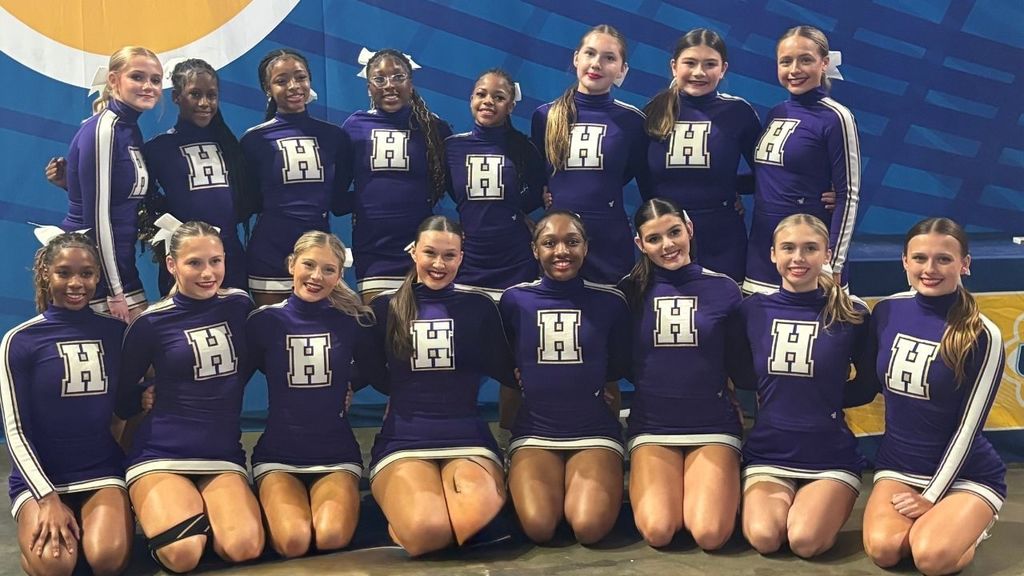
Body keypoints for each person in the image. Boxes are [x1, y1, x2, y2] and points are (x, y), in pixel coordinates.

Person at [361, 216, 516, 556]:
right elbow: (368, 372)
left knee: (471, 522)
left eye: (450, 255)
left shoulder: (479, 306)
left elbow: (507, 368)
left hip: (467, 437)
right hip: (405, 440)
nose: (439, 264)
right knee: (427, 534)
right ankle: (407, 518)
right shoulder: (386, 307)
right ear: (414, 252)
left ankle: (423, 510)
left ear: (461, 257)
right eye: (430, 253)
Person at [860, 217, 1005, 576]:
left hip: (965, 473)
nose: (930, 268)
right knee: (885, 550)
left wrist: (932, 495)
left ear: (965, 264)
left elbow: (969, 429)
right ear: (905, 262)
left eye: (944, 259)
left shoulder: (984, 334)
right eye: (920, 258)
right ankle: (946, 526)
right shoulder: (887, 311)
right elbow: (865, 385)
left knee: (929, 557)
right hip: (900, 464)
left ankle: (973, 527)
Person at [116, 221, 263, 573]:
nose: (207, 272)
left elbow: (254, 360)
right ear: (171, 265)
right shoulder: (150, 323)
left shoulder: (240, 305)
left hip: (221, 454)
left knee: (243, 548)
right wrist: (142, 397)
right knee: (183, 555)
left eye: (216, 261)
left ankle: (193, 513)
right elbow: (120, 396)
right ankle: (152, 504)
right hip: (163, 454)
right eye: (194, 262)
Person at [729, 213, 870, 557]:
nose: (798, 258)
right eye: (788, 248)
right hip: (769, 451)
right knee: (764, 538)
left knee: (806, 542)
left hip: (830, 454)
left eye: (810, 248)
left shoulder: (852, 314)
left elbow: (867, 385)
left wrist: (825, 402)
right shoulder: (751, 310)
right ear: (772, 254)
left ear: (827, 254)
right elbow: (745, 375)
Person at [1, 232, 132, 576]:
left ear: (98, 277)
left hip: (100, 470)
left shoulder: (115, 334)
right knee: (56, 566)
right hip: (41, 478)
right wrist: (46, 497)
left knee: (106, 559)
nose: (76, 283)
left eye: (86, 273)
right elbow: (14, 431)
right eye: (64, 273)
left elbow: (128, 402)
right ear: (46, 272)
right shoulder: (20, 340)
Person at [499, 211, 631, 544]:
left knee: (588, 527)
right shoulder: (514, 300)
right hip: (536, 431)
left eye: (572, 242)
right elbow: (504, 364)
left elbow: (618, 365)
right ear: (534, 249)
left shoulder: (610, 300)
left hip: (593, 432)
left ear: (585, 248)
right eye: (549, 243)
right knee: (539, 527)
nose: (561, 251)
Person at [618, 198, 742, 549]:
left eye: (674, 232)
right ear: (640, 244)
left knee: (709, 533)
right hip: (654, 425)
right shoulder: (629, 292)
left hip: (711, 424)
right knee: (658, 531)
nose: (668, 245)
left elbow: (741, 362)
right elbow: (616, 358)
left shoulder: (724, 289)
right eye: (654, 239)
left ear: (689, 229)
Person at [246, 231, 373, 558]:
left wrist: (349, 382)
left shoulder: (352, 320)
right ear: (292, 265)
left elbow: (376, 367)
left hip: (335, 452)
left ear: (339, 275)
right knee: (293, 542)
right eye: (309, 265)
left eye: (328, 269)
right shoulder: (265, 320)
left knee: (331, 537)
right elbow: (243, 369)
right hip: (279, 453)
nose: (317, 276)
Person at [744, 26, 860, 295]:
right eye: (786, 61)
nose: (795, 69)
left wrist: (835, 261)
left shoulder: (837, 117)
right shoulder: (776, 112)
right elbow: (768, 179)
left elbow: (848, 195)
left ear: (824, 63)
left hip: (808, 256)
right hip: (762, 251)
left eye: (805, 59)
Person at [532, 25, 650, 285]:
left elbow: (637, 178)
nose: (597, 64)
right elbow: (537, 173)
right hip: (558, 241)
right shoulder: (545, 116)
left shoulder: (632, 121)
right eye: (590, 54)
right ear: (576, 58)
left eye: (609, 58)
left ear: (622, 69)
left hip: (610, 240)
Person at [642, 29, 760, 284]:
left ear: (723, 68)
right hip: (665, 239)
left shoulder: (739, 112)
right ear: (674, 66)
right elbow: (634, 173)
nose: (699, 72)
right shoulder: (653, 111)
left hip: (723, 237)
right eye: (690, 63)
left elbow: (768, 173)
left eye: (710, 64)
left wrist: (731, 188)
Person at [60, 46, 163, 322]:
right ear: (114, 80)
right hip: (93, 268)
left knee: (137, 360)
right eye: (138, 77)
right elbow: (98, 217)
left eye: (155, 79)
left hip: (119, 262)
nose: (148, 86)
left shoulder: (129, 128)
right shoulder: (105, 130)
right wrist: (115, 291)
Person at [241, 49, 351, 306]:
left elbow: (338, 200)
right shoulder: (253, 140)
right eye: (281, 81)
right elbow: (249, 200)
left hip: (320, 256)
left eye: (300, 77)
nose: (293, 86)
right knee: (271, 333)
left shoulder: (334, 137)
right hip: (269, 254)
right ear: (268, 89)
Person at [340, 48, 452, 299]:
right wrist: (367, 201)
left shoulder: (433, 128)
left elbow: (455, 186)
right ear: (369, 87)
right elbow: (337, 195)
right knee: (380, 328)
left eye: (398, 77)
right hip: (373, 249)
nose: (390, 85)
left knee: (418, 331)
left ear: (410, 84)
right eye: (380, 79)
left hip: (422, 248)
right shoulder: (354, 127)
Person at [142, 58, 249, 295]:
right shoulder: (158, 148)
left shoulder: (230, 145)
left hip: (230, 255)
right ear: (176, 97)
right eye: (194, 94)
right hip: (184, 257)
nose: (204, 103)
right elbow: (136, 196)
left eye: (211, 95)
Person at [444, 68, 545, 300]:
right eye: (481, 94)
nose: (488, 101)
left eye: (499, 97)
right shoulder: (451, 148)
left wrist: (514, 214)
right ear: (471, 99)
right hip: (470, 260)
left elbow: (537, 193)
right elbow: (455, 192)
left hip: (515, 259)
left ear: (510, 106)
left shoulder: (524, 148)